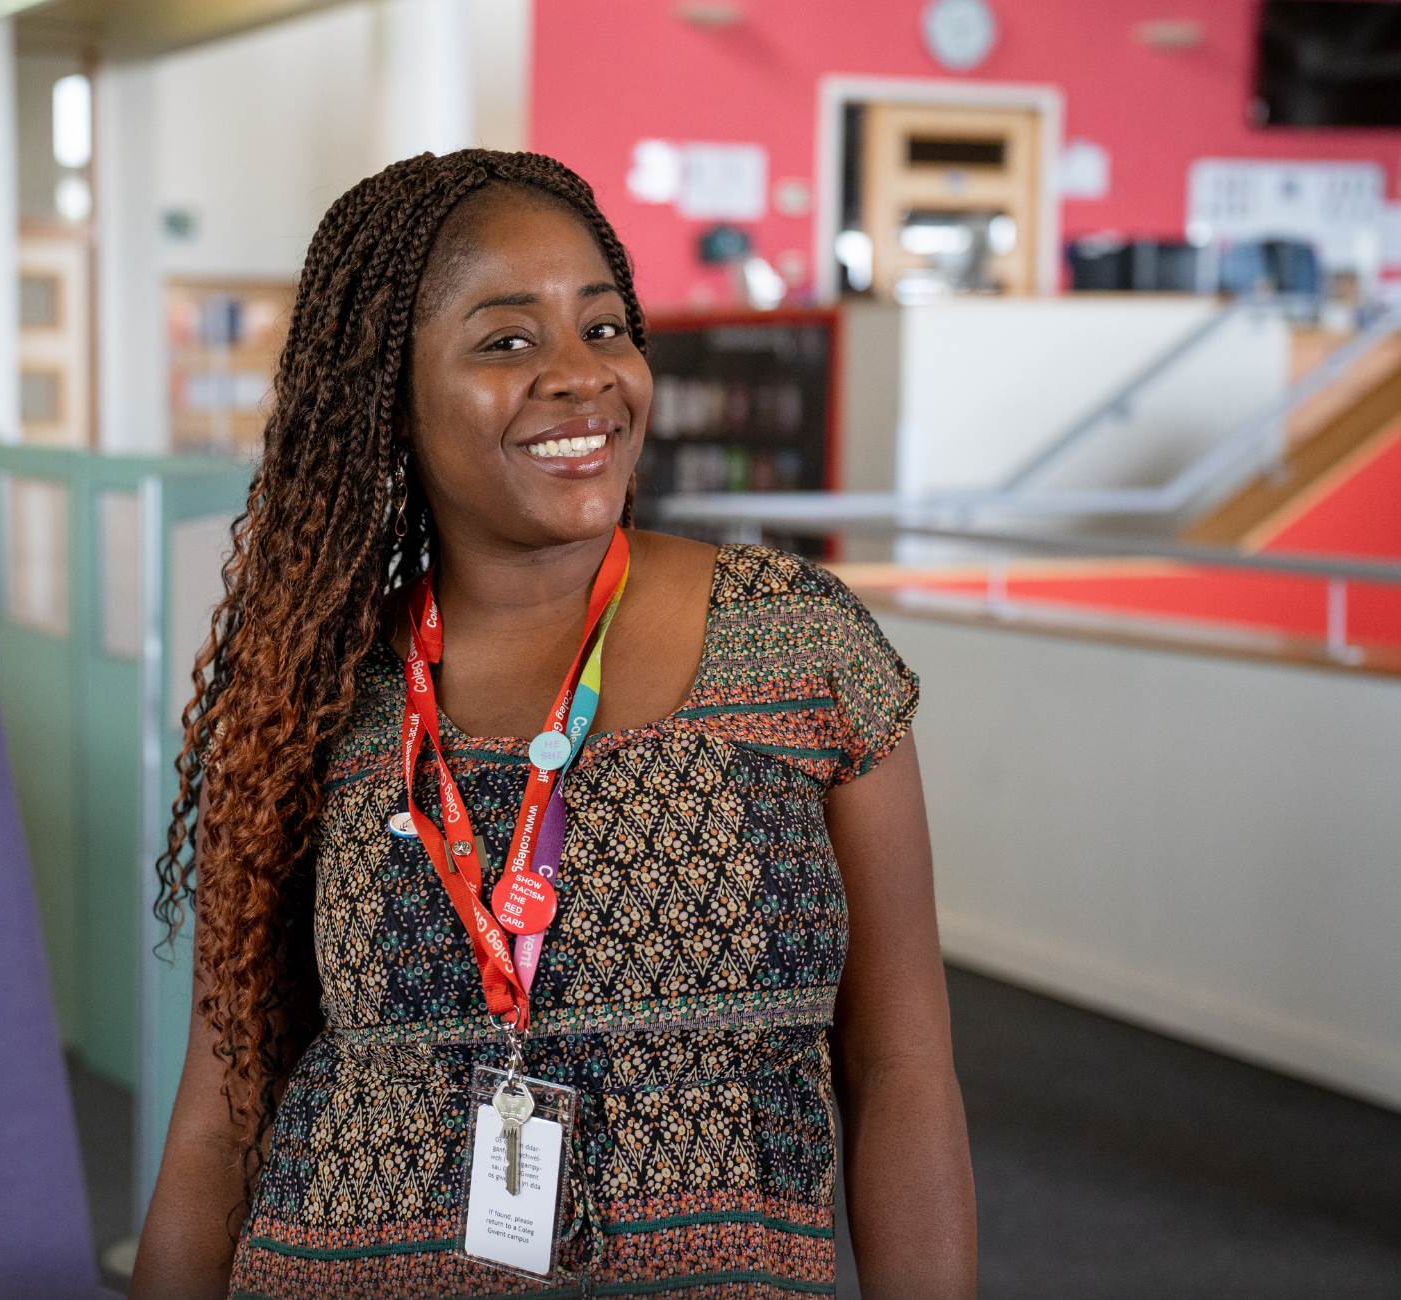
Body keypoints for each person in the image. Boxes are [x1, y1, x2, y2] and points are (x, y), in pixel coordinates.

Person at [130, 149, 976, 1300]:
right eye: (506, 341)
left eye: (605, 328)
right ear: (392, 390)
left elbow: (900, 1069)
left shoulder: (798, 646)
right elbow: (220, 1120)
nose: (582, 377)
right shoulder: (308, 693)